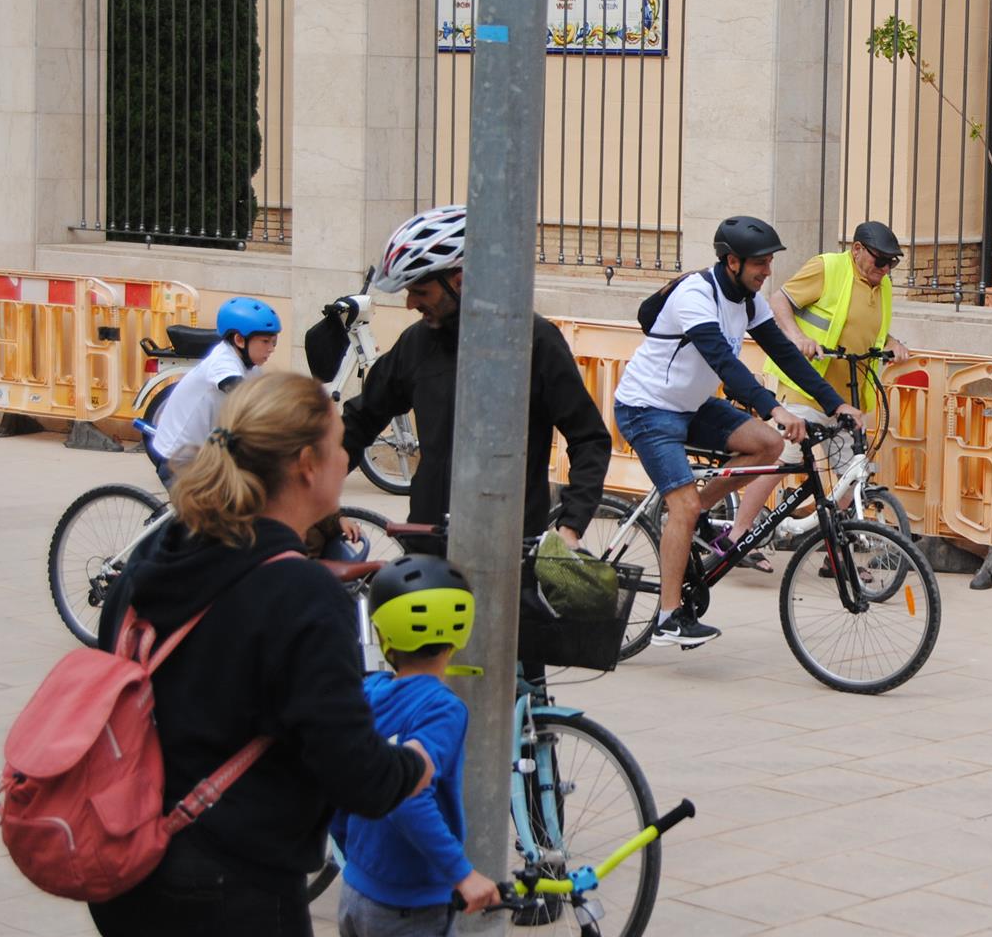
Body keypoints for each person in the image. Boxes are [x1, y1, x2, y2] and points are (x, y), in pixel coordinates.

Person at [88, 372, 436, 937]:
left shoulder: (160, 555)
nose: (347, 458)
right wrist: (416, 764)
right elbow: (353, 770)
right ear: (306, 463)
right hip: (231, 898)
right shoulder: (300, 592)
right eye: (338, 444)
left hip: (132, 870)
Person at [612, 215, 862, 646]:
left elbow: (786, 354)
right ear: (732, 262)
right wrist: (774, 408)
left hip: (691, 406)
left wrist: (834, 403)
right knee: (684, 503)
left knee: (767, 444)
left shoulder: (749, 301)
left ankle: (695, 514)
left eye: (769, 261)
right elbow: (724, 364)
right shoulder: (695, 295)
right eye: (760, 263)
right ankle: (668, 617)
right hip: (647, 409)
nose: (768, 271)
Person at [340, 204, 612, 547]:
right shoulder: (416, 343)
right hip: (428, 547)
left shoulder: (535, 342)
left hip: (507, 553)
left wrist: (570, 526)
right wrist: (316, 494)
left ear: (461, 282)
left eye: (420, 292)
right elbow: (359, 420)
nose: (410, 304)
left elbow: (589, 439)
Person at [331, 554, 500, 937]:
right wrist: (462, 873)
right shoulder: (444, 709)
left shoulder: (369, 692)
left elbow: (343, 783)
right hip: (411, 909)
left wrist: (353, 849)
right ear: (460, 633)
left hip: (357, 898)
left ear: (385, 636)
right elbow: (409, 794)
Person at [724, 220, 910, 569]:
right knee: (781, 461)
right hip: (804, 389)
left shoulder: (881, 284)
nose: (886, 269)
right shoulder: (828, 268)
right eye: (880, 260)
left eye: (892, 263)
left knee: (851, 474)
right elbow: (779, 300)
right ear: (857, 250)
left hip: (846, 398)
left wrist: (892, 341)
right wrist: (797, 338)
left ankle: (835, 554)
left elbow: (865, 328)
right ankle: (739, 535)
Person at [146, 296, 282, 485]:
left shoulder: (252, 367)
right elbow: (239, 392)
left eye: (274, 342)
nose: (271, 349)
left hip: (208, 453)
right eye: (265, 341)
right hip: (179, 458)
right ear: (239, 340)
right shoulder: (222, 362)